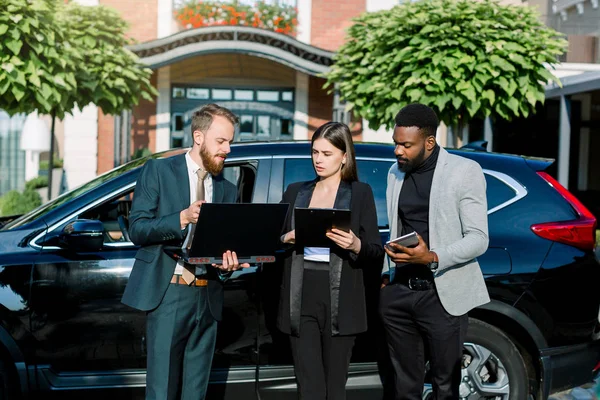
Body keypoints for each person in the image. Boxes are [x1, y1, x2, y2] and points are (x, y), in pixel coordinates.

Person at [122, 103, 249, 400]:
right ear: (199, 136)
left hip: (208, 297)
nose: (228, 149)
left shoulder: (227, 189)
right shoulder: (158, 171)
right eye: (222, 141)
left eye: (230, 142)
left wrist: (226, 265)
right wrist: (182, 217)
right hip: (169, 294)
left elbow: (223, 248)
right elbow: (138, 229)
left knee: (197, 393)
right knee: (162, 391)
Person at [379, 103, 490, 399]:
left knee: (445, 387)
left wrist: (431, 257)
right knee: (404, 387)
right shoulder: (395, 173)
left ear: (429, 142)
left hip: (442, 295)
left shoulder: (464, 172)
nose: (398, 151)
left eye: (406, 145)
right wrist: (385, 278)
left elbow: (479, 238)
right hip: (399, 293)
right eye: (395, 143)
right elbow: (394, 227)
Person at [278, 121, 384, 400]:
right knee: (309, 388)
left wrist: (356, 244)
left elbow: (375, 250)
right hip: (301, 295)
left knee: (335, 389)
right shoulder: (295, 191)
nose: (319, 160)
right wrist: (287, 238)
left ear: (344, 156)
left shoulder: (360, 193)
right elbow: (272, 243)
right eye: (315, 153)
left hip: (342, 296)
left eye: (327, 154)